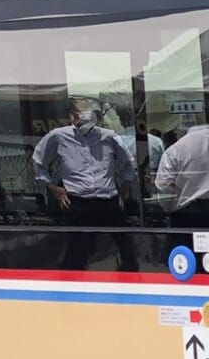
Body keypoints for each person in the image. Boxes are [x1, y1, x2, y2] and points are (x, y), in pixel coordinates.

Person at [33, 97, 139, 271]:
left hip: (108, 201)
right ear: (71, 116)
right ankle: (72, 288)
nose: (83, 117)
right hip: (77, 202)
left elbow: (129, 163)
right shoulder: (58, 136)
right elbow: (39, 164)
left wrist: (123, 191)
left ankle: (130, 281)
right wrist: (54, 188)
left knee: (126, 248)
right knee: (76, 252)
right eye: (79, 113)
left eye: (88, 113)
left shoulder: (108, 136)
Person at [155, 107, 209, 228]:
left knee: (185, 245)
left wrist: (168, 208)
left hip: (187, 213)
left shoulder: (177, 148)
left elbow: (164, 184)